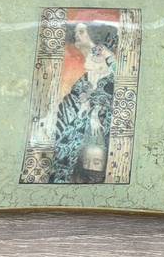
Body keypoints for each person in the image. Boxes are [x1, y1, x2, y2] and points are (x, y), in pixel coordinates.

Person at [50, 21, 118, 184]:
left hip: (100, 138)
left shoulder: (111, 72)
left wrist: (94, 113)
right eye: (76, 31)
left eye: (81, 31)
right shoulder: (84, 81)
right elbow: (70, 104)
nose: (76, 34)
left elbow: (113, 92)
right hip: (75, 131)